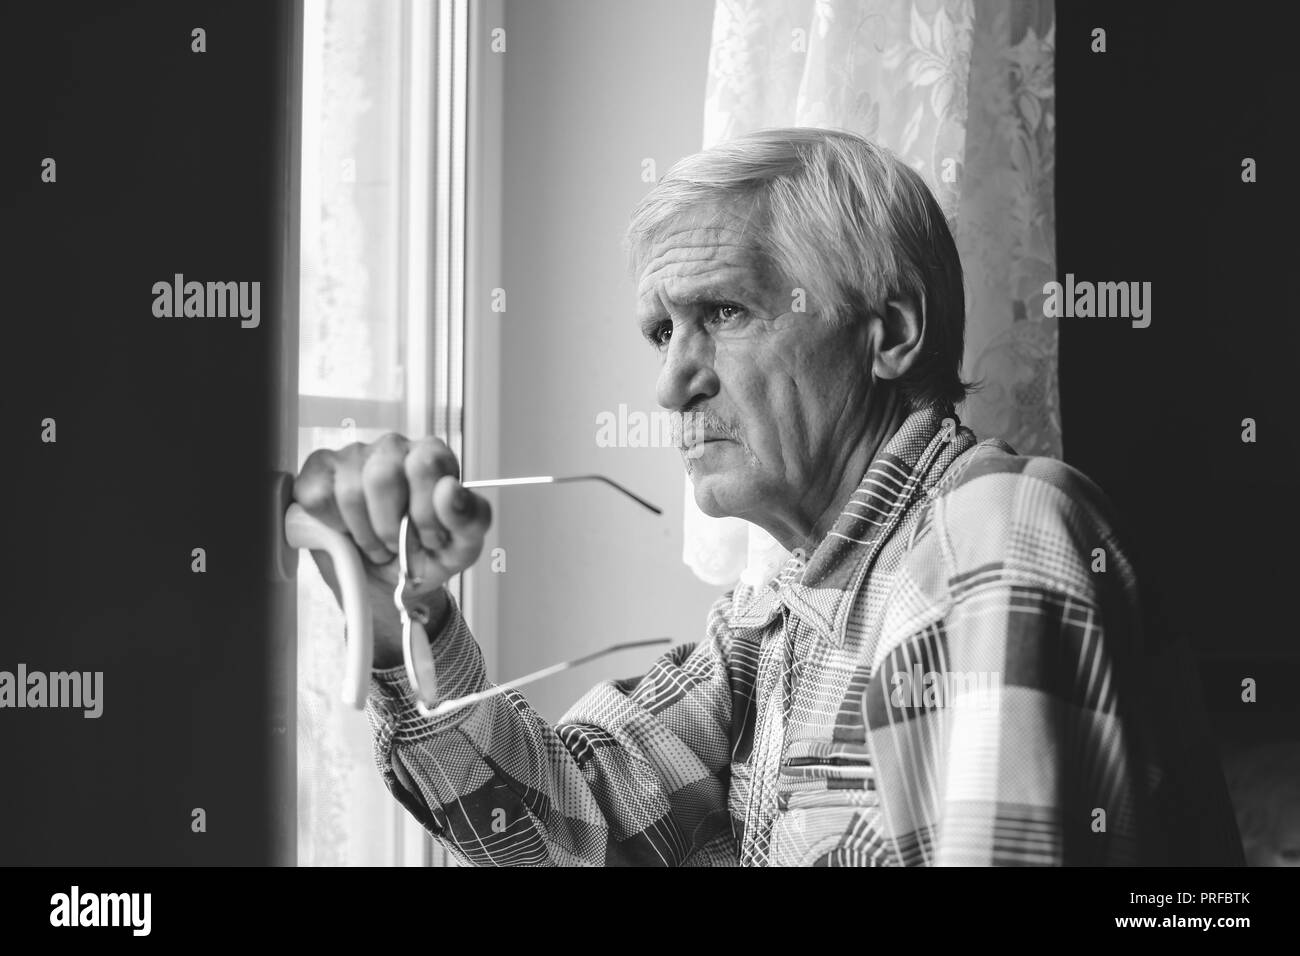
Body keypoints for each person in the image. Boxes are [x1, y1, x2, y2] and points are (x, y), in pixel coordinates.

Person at [293, 128, 1242, 866]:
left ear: (892, 331)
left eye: (724, 314)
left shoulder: (994, 544)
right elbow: (563, 824)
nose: (671, 384)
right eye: (661, 332)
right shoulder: (774, 622)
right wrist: (398, 619)